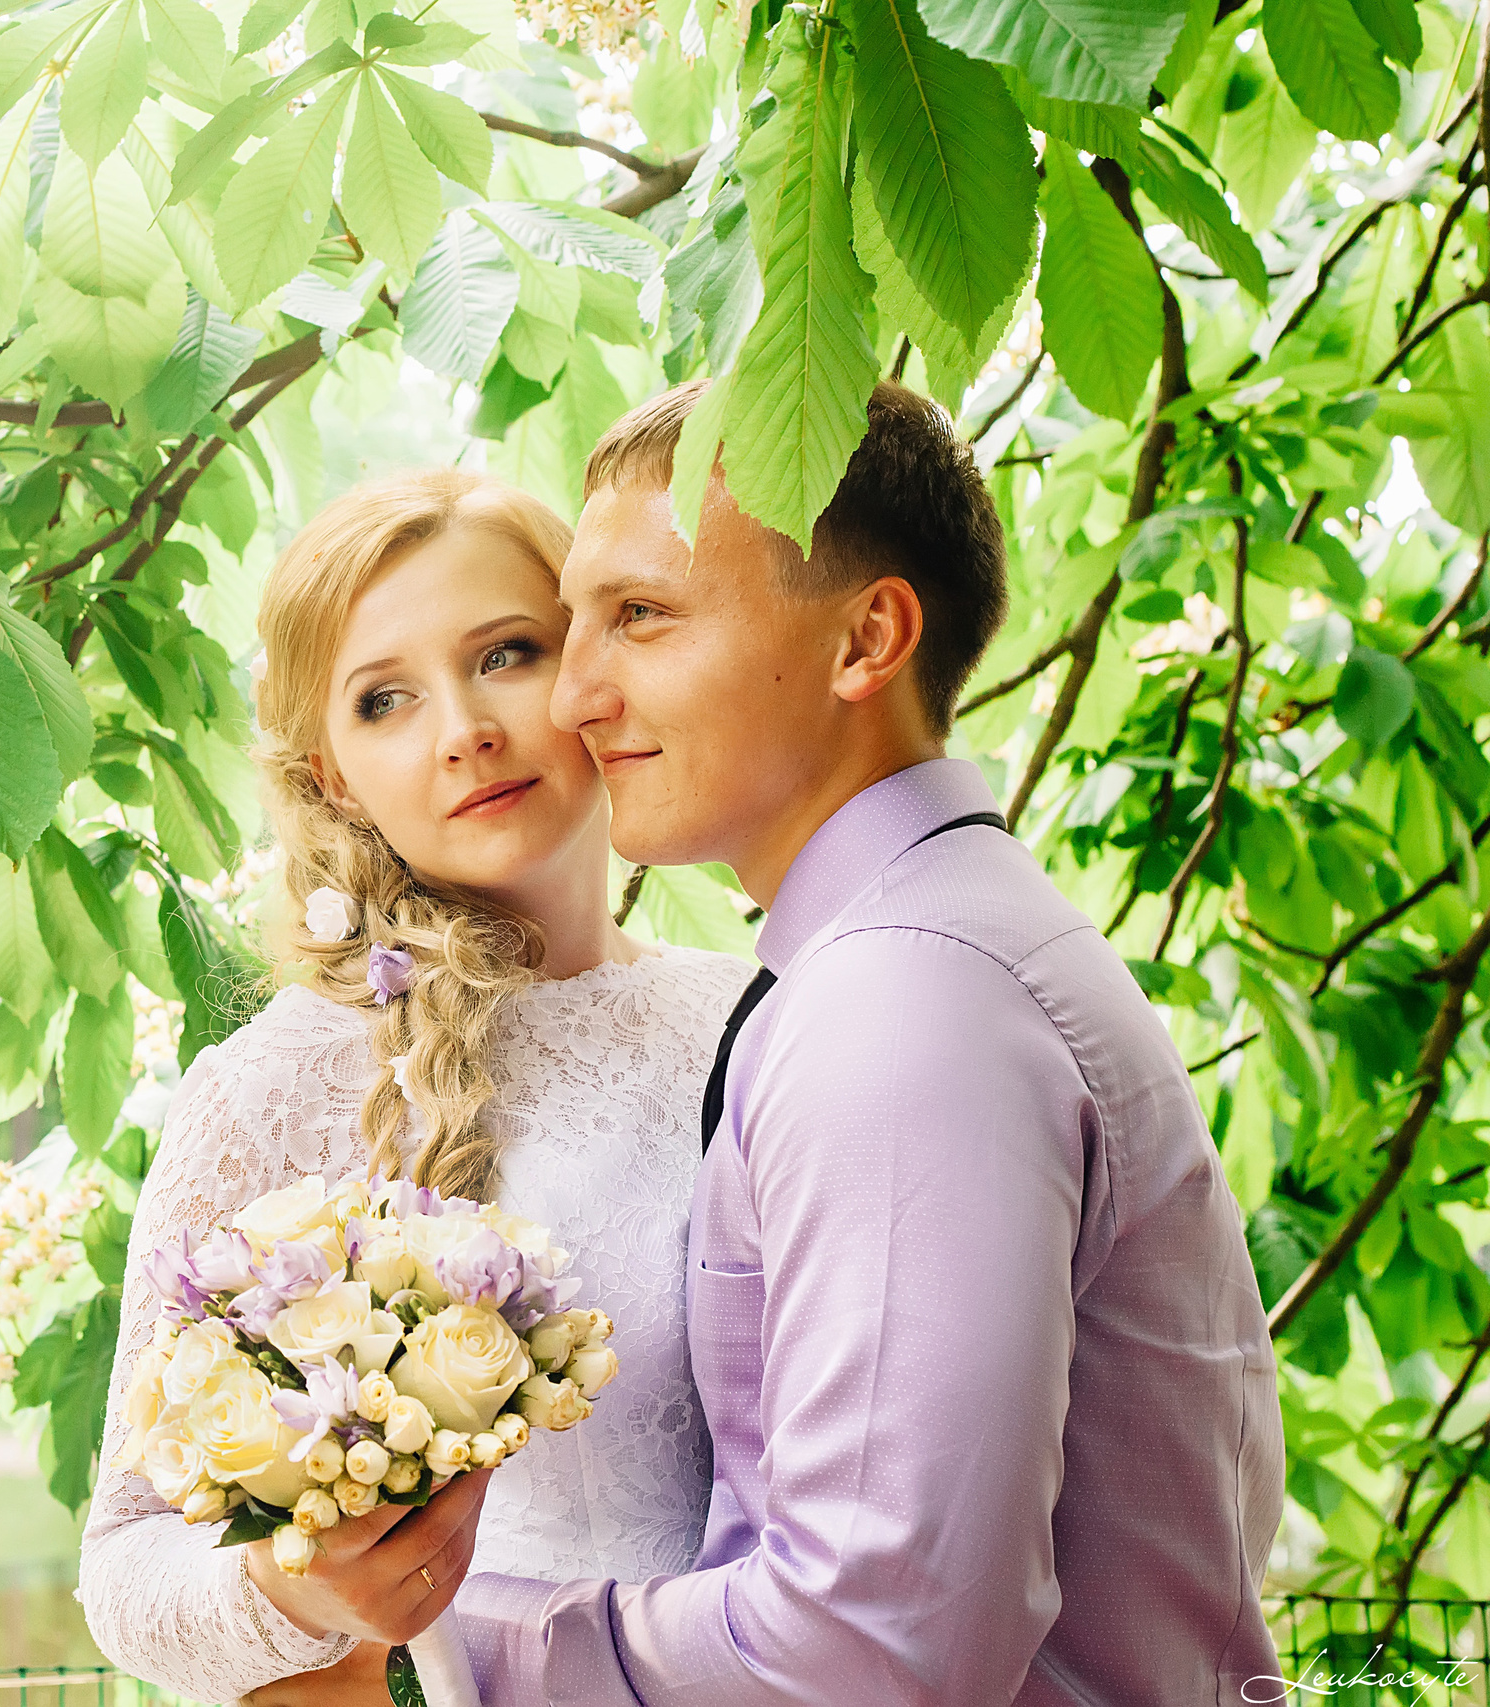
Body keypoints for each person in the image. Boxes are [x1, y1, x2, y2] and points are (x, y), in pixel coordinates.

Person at [406, 380, 1281, 1705]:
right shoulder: (919, 952)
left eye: (640, 615)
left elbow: (875, 1646)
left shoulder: (906, 1005)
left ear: (866, 639)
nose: (574, 694)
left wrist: (444, 1653)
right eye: (572, 623)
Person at [76, 469, 755, 1702]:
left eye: (505, 654)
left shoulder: (758, 1013)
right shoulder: (273, 1088)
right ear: (334, 775)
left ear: (590, 670)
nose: (463, 729)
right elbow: (125, 1567)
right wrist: (293, 1591)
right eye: (384, 700)